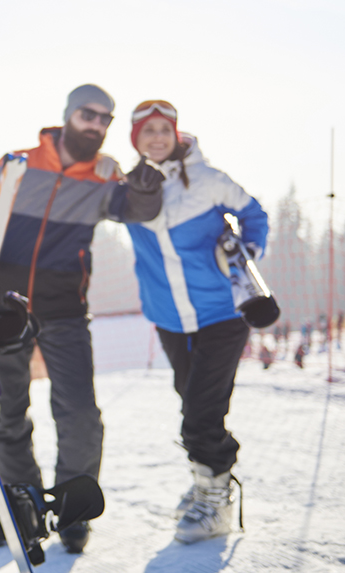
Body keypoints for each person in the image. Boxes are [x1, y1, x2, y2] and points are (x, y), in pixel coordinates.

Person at [0, 84, 165, 552]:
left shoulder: (104, 176)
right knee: (7, 415)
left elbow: (139, 210)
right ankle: (20, 506)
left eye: (106, 119)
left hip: (64, 311)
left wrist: (145, 181)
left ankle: (72, 510)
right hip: (4, 308)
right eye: (89, 114)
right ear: (67, 115)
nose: (97, 125)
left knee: (79, 413)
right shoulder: (15, 164)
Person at [124, 99, 268, 544]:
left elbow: (254, 212)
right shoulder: (128, 188)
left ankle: (217, 501)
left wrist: (247, 253)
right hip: (170, 319)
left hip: (220, 313)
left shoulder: (206, 179)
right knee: (191, 399)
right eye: (147, 132)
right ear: (136, 140)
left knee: (202, 410)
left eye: (164, 130)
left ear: (176, 133)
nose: (157, 138)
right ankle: (206, 480)